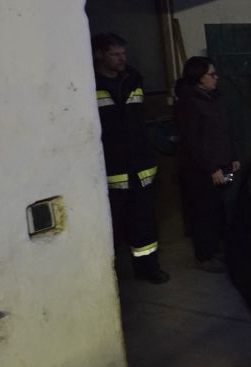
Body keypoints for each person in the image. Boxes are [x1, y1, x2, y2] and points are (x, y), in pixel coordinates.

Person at [92, 32, 170, 284]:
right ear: (99, 55)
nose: (122, 58)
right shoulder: (88, 83)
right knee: (111, 228)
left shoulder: (133, 80)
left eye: (123, 53)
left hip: (140, 166)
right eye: (115, 54)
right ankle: (110, 280)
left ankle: (148, 267)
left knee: (144, 222)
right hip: (111, 169)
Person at [175, 56, 239, 273]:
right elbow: (193, 142)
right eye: (211, 74)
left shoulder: (215, 98)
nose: (216, 78)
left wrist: (233, 157)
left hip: (223, 165)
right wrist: (212, 168)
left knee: (219, 209)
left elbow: (224, 130)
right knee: (204, 211)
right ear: (199, 78)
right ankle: (204, 256)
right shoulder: (189, 104)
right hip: (202, 171)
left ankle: (217, 249)